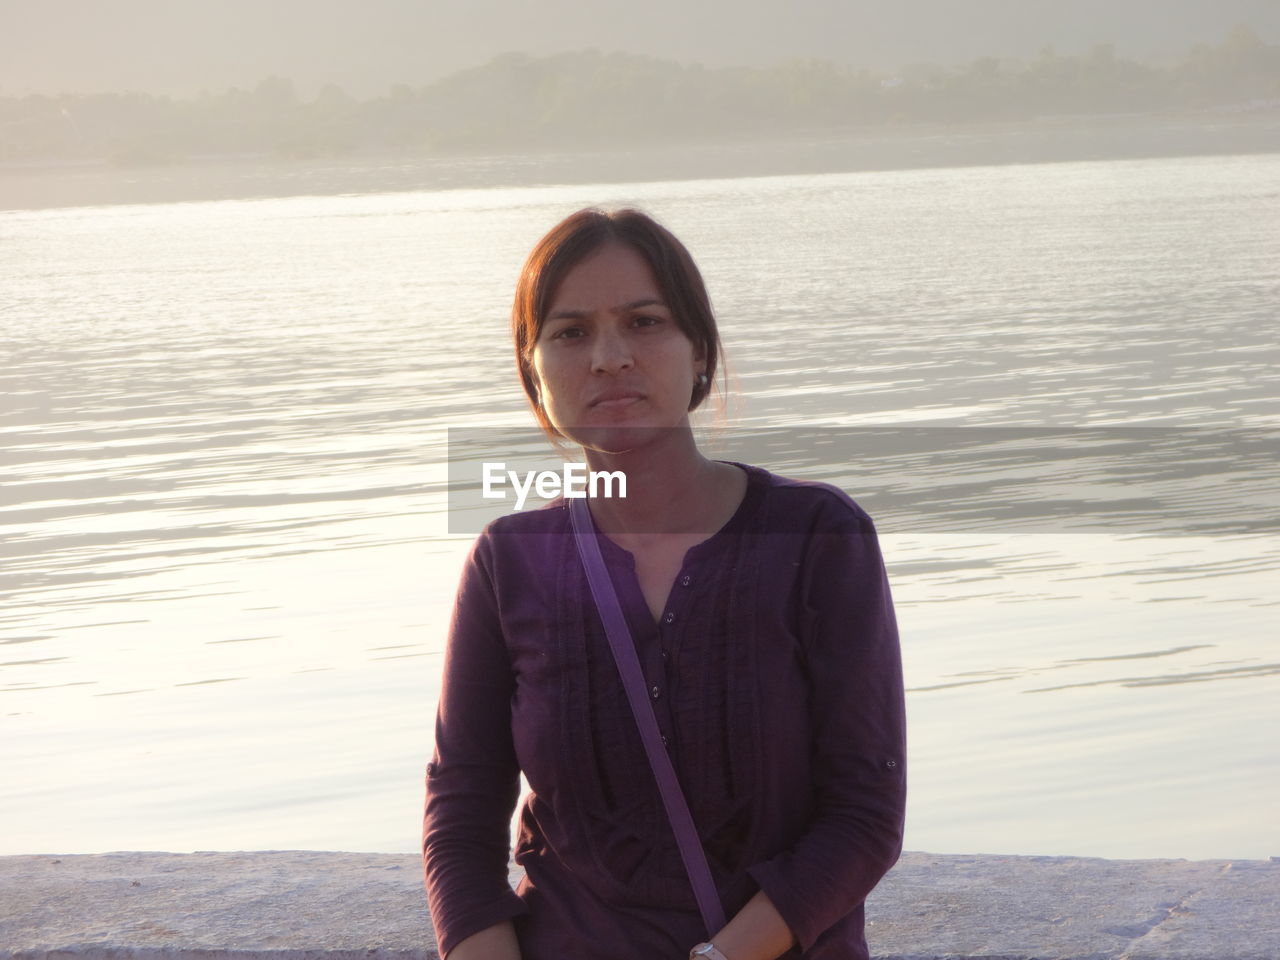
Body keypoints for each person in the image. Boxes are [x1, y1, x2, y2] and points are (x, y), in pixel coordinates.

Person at [422, 207, 906, 960]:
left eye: (644, 323)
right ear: (533, 370)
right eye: (571, 332)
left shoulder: (817, 536)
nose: (610, 358)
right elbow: (462, 807)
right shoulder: (508, 561)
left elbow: (863, 812)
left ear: (699, 351)